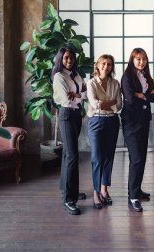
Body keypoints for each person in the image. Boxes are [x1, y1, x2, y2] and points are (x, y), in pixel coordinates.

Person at [121, 48, 154, 212]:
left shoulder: (146, 76)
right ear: (132, 60)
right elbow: (129, 97)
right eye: (138, 59)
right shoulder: (127, 76)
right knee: (136, 158)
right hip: (131, 122)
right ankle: (133, 198)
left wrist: (142, 95)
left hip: (144, 121)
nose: (141, 62)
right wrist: (146, 95)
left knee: (141, 158)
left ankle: (135, 190)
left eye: (143, 59)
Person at [52, 47, 87, 215]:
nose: (69, 60)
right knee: (73, 156)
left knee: (68, 154)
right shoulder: (59, 77)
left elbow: (85, 94)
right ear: (61, 59)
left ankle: (69, 189)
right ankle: (68, 199)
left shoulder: (76, 75)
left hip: (76, 114)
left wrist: (77, 93)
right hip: (66, 115)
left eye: (72, 58)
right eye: (66, 58)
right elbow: (66, 98)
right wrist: (78, 93)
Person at [87, 54, 122, 209]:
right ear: (98, 65)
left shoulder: (115, 83)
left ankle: (104, 189)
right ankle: (95, 193)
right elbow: (95, 104)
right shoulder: (91, 83)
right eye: (103, 63)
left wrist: (109, 103)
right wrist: (111, 102)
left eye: (109, 64)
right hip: (96, 121)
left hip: (112, 121)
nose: (106, 66)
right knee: (97, 158)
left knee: (108, 156)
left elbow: (119, 105)